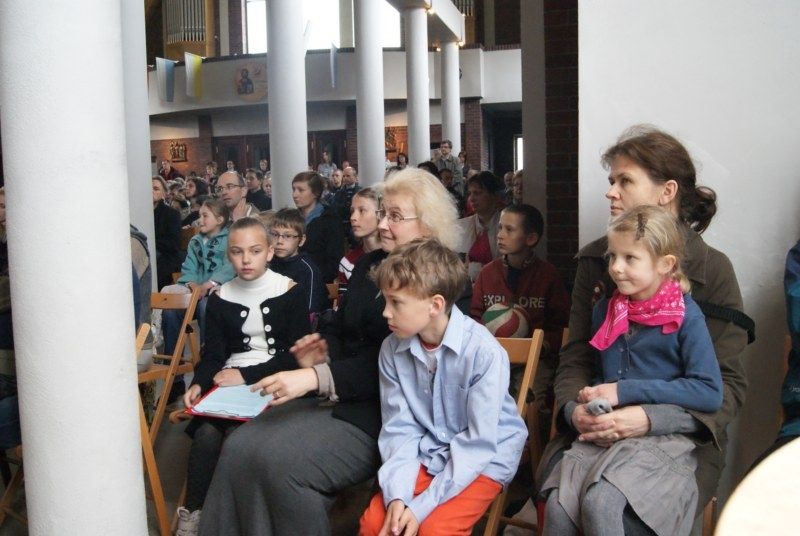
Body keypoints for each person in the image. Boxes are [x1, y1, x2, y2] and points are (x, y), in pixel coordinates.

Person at [198, 167, 465, 536]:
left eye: (394, 216)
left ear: (429, 225)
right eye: (382, 213)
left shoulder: (442, 283)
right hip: (337, 397)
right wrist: (321, 349)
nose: (381, 225)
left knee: (281, 466)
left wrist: (316, 376)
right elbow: (340, 326)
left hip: (387, 417)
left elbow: (399, 366)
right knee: (240, 446)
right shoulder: (370, 264)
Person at [536, 126, 749, 532]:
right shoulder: (596, 261)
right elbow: (576, 358)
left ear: (667, 191)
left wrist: (650, 418)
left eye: (624, 181)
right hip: (598, 428)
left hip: (684, 437)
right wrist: (574, 412)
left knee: (617, 511)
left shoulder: (713, 270)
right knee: (562, 508)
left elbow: (727, 386)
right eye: (611, 180)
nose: (610, 192)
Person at [541, 205, 723, 536]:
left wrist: (623, 391)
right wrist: (591, 399)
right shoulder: (605, 310)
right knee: (558, 506)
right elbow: (603, 373)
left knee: (602, 502)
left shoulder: (686, 316)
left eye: (630, 258)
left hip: (662, 436)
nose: (616, 267)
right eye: (612, 256)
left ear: (665, 264)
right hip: (609, 432)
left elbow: (709, 392)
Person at [359, 239, 528, 536]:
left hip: (484, 458)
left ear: (435, 305)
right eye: (385, 300)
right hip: (429, 451)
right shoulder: (391, 350)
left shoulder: (483, 352)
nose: (385, 312)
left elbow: (478, 444)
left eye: (396, 302)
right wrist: (398, 496)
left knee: (434, 529)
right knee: (375, 525)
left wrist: (421, 507)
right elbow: (399, 429)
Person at [176, 217, 311, 535]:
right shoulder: (221, 297)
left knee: (241, 438)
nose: (246, 259)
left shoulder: (289, 290)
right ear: (229, 255)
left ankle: (239, 523)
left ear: (269, 252)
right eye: (237, 252)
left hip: (277, 379)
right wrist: (198, 383)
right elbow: (214, 354)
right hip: (229, 382)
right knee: (207, 435)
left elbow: (296, 355)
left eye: (255, 251)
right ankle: (193, 516)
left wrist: (246, 375)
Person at [471, 204, 570, 408]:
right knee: (481, 399)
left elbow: (562, 325)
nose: (500, 235)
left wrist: (543, 345)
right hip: (491, 357)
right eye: (500, 228)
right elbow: (474, 318)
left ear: (531, 238)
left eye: (509, 230)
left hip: (535, 359)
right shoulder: (487, 273)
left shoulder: (548, 276)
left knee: (531, 400)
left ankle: (529, 429)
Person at [161, 199, 235, 359]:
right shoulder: (195, 241)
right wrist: (192, 284)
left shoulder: (230, 239)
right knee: (171, 310)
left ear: (219, 219)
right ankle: (173, 362)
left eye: (205, 216)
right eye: (200, 215)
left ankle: (208, 356)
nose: (200, 220)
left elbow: (230, 266)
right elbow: (189, 267)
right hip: (195, 292)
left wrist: (210, 283)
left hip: (219, 291)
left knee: (205, 306)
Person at [267, 208, 328, 315]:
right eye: (275, 234)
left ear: (301, 240)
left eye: (287, 236)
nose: (279, 241)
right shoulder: (267, 264)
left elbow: (310, 312)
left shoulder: (308, 271)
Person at [292, 171, 344, 284]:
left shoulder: (330, 220)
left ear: (315, 193)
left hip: (317, 281)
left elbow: (334, 262)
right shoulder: (292, 219)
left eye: (301, 190)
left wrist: (311, 279)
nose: (295, 195)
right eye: (293, 189)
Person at [458, 171, 505, 281]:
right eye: (470, 193)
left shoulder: (506, 225)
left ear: (494, 195)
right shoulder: (462, 226)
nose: (471, 198)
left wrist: (474, 269)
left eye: (477, 193)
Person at [337, 188, 381, 284]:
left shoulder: (396, 258)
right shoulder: (347, 263)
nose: (353, 217)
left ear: (380, 214)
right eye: (352, 211)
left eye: (362, 210)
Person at [152, 176, 182, 290]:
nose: (151, 191)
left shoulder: (172, 214)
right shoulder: (139, 214)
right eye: (149, 189)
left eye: (156, 189)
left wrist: (152, 242)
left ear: (164, 193)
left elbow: (173, 244)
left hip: (165, 257)